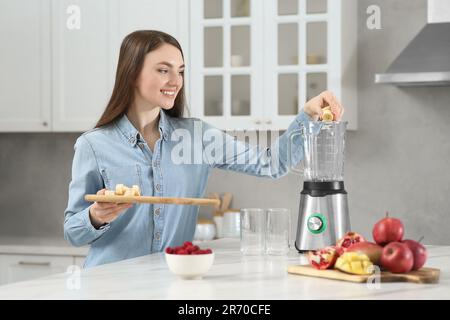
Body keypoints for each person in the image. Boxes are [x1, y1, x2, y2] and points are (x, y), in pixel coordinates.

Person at [64, 30, 344, 268]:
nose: (176, 81)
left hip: (171, 283)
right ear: (132, 73)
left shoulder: (197, 137)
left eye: (180, 71)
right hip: (107, 286)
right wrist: (96, 216)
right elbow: (73, 232)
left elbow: (272, 164)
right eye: (163, 70)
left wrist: (308, 116)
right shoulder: (94, 145)